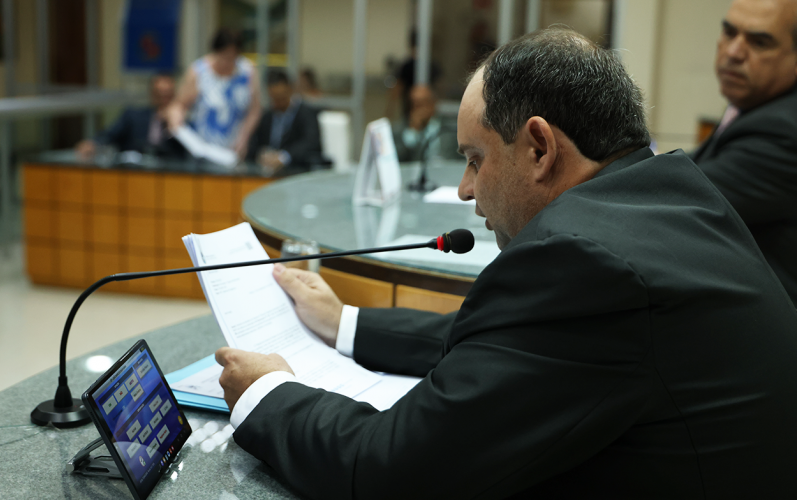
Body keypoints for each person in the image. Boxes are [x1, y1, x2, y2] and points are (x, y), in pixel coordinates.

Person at [215, 28, 797, 498]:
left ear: (540, 148)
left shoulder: (583, 260)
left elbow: (390, 471)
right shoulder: (668, 197)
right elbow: (513, 346)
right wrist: (345, 322)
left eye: (475, 159)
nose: (466, 189)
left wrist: (269, 394)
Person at [691, 0, 797, 306]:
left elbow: (679, 194)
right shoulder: (753, 106)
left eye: (760, 42)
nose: (734, 52)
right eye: (729, 32)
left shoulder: (785, 130)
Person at [166, 29, 261, 160]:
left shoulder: (247, 72)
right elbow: (178, 105)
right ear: (215, 52)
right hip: (202, 148)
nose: (228, 62)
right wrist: (176, 120)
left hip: (233, 150)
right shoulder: (199, 72)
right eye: (224, 57)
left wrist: (244, 137)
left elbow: (254, 110)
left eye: (233, 58)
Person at [75, 73, 182, 158]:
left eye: (167, 96)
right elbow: (109, 134)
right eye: (159, 95)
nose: (163, 100)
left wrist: (172, 124)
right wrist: (92, 143)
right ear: (152, 94)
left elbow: (184, 152)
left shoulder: (182, 122)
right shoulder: (133, 116)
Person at [246, 70, 323, 171]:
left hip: (296, 169)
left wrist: (284, 157)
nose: (278, 102)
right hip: (267, 168)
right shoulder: (267, 116)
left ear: (290, 90)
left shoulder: (305, 114)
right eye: (274, 98)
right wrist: (261, 154)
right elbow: (255, 143)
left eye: (281, 97)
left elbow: (311, 142)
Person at [386, 30, 441, 122]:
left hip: (426, 115)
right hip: (409, 114)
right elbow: (397, 90)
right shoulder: (407, 66)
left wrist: (389, 112)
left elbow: (396, 91)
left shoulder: (430, 65)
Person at [392, 84, 456, 162]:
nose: (419, 110)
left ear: (433, 104)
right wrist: (413, 130)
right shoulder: (399, 131)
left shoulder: (448, 128)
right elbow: (400, 160)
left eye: (422, 104)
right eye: (415, 105)